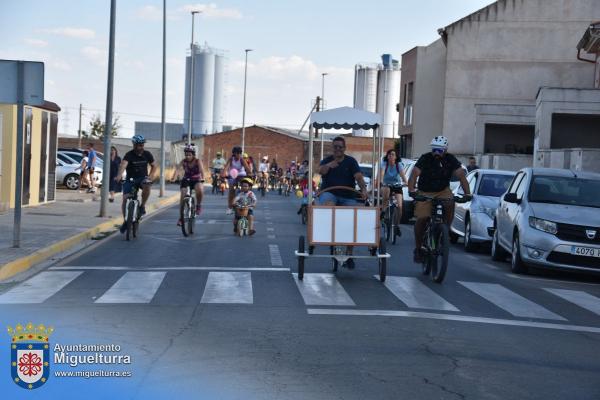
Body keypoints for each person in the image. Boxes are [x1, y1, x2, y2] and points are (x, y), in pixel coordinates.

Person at [408, 136, 472, 263]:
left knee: (450, 202)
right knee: (422, 218)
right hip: (425, 191)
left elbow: (461, 176)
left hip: (443, 190)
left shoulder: (450, 159)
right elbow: (414, 174)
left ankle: (445, 230)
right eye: (434, 150)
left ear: (445, 150)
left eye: (440, 151)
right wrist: (412, 191)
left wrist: (467, 194)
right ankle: (418, 248)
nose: (437, 153)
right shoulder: (425, 158)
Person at [318, 136, 368, 269]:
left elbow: (358, 177)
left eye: (340, 147)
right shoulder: (327, 160)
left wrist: (363, 189)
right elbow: (320, 171)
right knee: (328, 205)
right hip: (330, 192)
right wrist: (329, 165)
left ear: (344, 148)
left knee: (353, 219)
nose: (338, 149)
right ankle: (330, 234)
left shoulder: (351, 161)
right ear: (332, 148)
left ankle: (350, 255)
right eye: (335, 147)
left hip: (347, 195)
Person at [114, 135, 158, 233]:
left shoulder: (147, 154)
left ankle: (142, 206)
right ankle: (126, 220)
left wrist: (150, 177)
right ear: (134, 145)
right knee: (125, 199)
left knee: (147, 185)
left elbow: (154, 166)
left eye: (142, 145)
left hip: (143, 179)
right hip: (131, 179)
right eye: (138, 145)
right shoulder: (129, 155)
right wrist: (119, 176)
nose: (140, 147)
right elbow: (123, 165)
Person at [171, 144, 205, 226]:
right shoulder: (183, 161)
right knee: (183, 194)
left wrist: (203, 178)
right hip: (186, 179)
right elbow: (177, 170)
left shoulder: (198, 161)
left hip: (196, 179)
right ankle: (181, 218)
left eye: (189, 155)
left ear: (193, 154)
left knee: (199, 189)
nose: (187, 156)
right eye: (186, 155)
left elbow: (202, 170)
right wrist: (173, 178)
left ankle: (198, 205)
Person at [378, 149, 408, 237]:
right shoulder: (384, 164)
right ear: (387, 156)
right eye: (389, 154)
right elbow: (382, 173)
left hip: (397, 185)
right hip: (386, 184)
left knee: (400, 206)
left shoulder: (399, 165)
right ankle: (383, 211)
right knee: (386, 194)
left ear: (396, 157)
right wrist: (381, 182)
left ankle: (397, 226)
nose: (391, 156)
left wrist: (406, 182)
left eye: (393, 154)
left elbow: (403, 175)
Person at [222, 146, 251, 215]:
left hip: (241, 175)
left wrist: (250, 173)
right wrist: (223, 174)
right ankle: (230, 208)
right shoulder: (231, 159)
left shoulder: (241, 160)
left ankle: (246, 203)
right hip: (232, 175)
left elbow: (247, 168)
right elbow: (226, 167)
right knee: (231, 190)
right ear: (233, 153)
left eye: (239, 153)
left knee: (244, 187)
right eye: (236, 153)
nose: (238, 155)